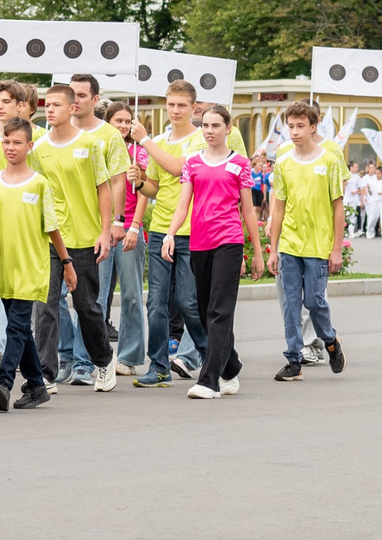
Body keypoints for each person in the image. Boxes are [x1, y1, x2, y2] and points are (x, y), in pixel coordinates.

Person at [140, 101, 267, 400]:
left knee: (220, 311)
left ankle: (209, 380)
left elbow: (248, 211)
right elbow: (183, 205)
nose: (209, 131)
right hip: (199, 242)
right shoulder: (192, 163)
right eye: (206, 125)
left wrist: (257, 251)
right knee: (202, 309)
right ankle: (231, 365)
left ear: (228, 128)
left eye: (216, 126)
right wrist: (170, 234)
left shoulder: (239, 164)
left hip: (229, 241)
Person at [31, 79, 121, 392]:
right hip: (49, 238)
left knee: (86, 308)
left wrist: (105, 231)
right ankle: (45, 372)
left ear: (72, 108)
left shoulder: (90, 144)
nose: (49, 110)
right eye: (47, 104)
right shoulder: (38, 148)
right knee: (45, 305)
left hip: (84, 239)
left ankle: (103, 359)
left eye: (55, 105)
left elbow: (103, 188)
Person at [0, 116, 68, 411]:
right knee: (21, 330)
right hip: (5, 269)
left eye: (17, 143)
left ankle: (3, 382)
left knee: (16, 326)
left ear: (29, 146)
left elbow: (52, 228)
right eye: (6, 142)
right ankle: (38, 385)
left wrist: (67, 262)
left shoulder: (40, 184)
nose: (11, 148)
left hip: (32, 267)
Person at [130, 80, 214, 388]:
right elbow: (155, 186)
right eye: (171, 104)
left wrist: (146, 141)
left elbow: (180, 169)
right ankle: (159, 366)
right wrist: (139, 181)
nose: (175, 110)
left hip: (192, 230)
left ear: (194, 108)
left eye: (181, 105)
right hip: (160, 230)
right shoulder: (161, 139)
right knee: (157, 303)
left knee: (188, 302)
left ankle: (214, 357)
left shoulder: (198, 139)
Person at [266, 101, 347, 382]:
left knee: (314, 301)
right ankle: (293, 359)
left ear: (313, 127)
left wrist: (336, 249)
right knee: (290, 303)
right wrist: (273, 248)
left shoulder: (329, 160)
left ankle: (330, 339)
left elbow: (338, 207)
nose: (295, 131)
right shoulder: (284, 161)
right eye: (291, 126)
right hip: (289, 244)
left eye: (301, 126)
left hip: (318, 245)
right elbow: (278, 206)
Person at [99, 100, 149, 379]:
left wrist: (135, 227)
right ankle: (96, 355)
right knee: (97, 295)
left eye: (127, 121)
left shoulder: (137, 154)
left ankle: (129, 356)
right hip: (102, 230)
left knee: (131, 295)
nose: (123, 125)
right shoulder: (98, 150)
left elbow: (143, 193)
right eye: (117, 120)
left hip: (130, 229)